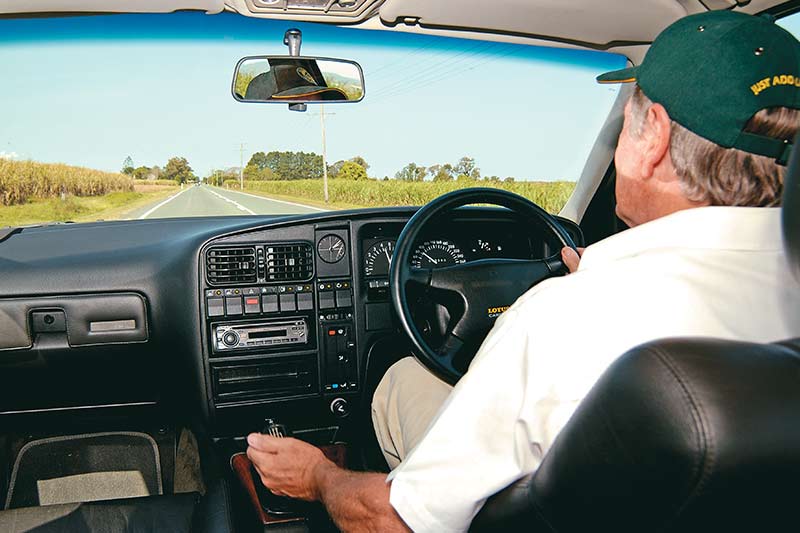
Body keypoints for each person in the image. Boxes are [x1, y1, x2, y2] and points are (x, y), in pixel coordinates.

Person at [246, 11, 800, 532]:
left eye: (628, 114)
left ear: (650, 137)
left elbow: (396, 522)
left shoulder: (563, 320)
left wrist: (318, 476)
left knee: (404, 377)